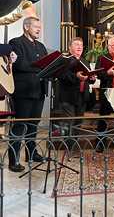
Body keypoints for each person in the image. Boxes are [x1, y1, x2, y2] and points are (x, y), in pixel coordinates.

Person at [8, 17, 48, 172]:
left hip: (39, 90)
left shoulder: (41, 46)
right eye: (36, 26)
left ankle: (31, 153)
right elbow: (18, 64)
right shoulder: (16, 43)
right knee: (19, 126)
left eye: (40, 27)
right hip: (23, 92)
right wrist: (39, 68)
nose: (39, 29)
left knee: (33, 125)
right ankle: (13, 159)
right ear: (26, 27)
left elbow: (45, 65)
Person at [56, 37, 96, 138]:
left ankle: (74, 146)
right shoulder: (64, 60)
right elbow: (62, 75)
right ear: (70, 48)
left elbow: (90, 80)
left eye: (81, 45)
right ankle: (68, 148)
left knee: (78, 123)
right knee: (69, 123)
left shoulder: (85, 61)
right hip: (68, 97)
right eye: (76, 44)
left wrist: (92, 77)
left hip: (82, 97)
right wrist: (76, 76)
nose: (79, 47)